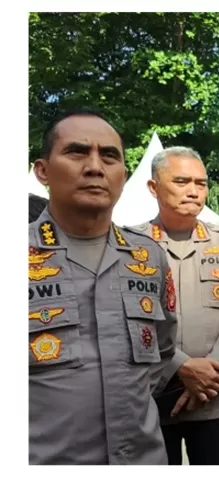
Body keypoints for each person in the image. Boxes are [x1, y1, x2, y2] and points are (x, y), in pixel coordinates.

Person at [29, 109, 177, 464]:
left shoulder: (148, 257)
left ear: (123, 176)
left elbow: (163, 352)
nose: (95, 167)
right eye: (77, 152)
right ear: (43, 171)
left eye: (109, 156)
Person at [130, 146, 219, 465]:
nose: (193, 191)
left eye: (201, 183)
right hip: (155, 399)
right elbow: (130, 320)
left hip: (217, 400)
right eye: (182, 181)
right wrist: (181, 366)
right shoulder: (133, 247)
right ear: (153, 187)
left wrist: (212, 375)